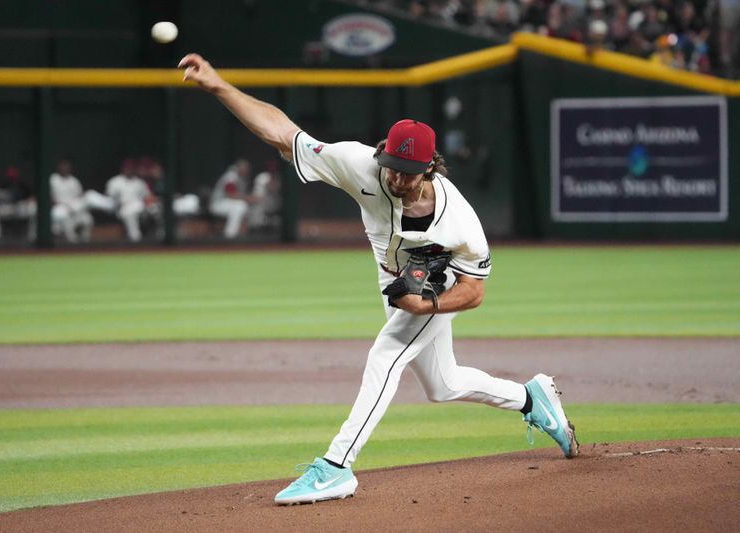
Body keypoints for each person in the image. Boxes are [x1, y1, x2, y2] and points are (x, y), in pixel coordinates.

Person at [179, 52, 579, 506]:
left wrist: (427, 305)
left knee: (385, 356)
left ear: (430, 169)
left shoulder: (461, 224)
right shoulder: (360, 164)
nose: (395, 176)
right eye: (390, 163)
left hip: (435, 288)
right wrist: (218, 86)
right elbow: (281, 131)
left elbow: (475, 292)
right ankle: (531, 398)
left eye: (407, 172)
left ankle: (335, 467)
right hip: (394, 282)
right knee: (442, 385)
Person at [105, 159, 153, 242]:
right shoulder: (115, 181)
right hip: (122, 208)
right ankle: (135, 239)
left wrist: (149, 205)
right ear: (123, 168)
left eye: (131, 168)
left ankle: (161, 236)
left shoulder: (139, 182)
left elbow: (148, 197)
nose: (129, 170)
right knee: (130, 212)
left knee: (154, 209)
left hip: (140, 208)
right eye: (127, 168)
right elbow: (109, 198)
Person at [50, 159, 93, 243]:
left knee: (88, 219)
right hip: (59, 207)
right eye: (63, 166)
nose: (64, 168)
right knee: (63, 216)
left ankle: (85, 242)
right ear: (58, 167)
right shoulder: (53, 179)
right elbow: (49, 196)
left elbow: (79, 196)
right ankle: (72, 243)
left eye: (66, 166)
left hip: (73, 208)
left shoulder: (74, 181)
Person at [209, 159, 252, 239]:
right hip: (218, 203)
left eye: (246, 168)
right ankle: (229, 235)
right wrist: (247, 198)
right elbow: (230, 194)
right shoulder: (231, 176)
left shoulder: (241, 177)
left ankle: (237, 233)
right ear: (238, 167)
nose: (246, 170)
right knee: (240, 206)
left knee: (243, 206)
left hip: (226, 203)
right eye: (244, 168)